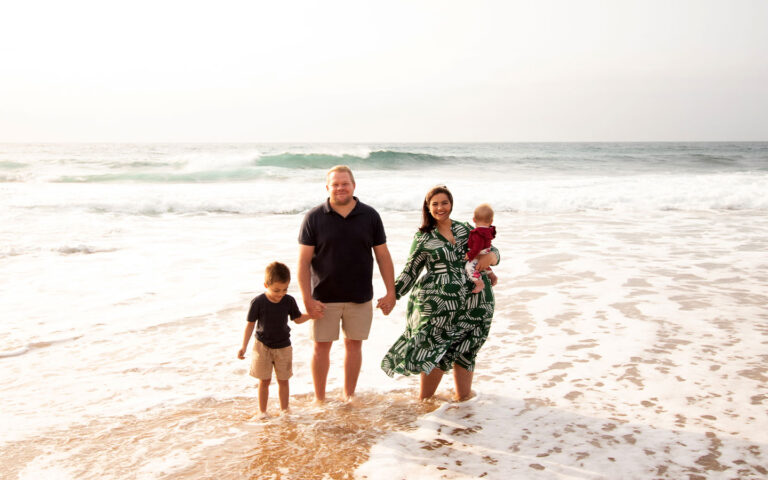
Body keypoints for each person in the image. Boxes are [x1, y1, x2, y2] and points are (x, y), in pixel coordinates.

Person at [381, 185, 498, 401]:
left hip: (476, 301)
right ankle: (424, 403)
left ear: (451, 204)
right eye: (435, 204)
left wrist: (490, 260)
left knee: (467, 350)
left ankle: (464, 403)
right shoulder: (424, 238)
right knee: (435, 349)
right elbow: (410, 271)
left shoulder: (466, 229)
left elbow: (492, 250)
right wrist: (392, 295)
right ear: (428, 207)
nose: (440, 207)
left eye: (444, 202)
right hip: (439, 306)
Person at [298, 165, 396, 403]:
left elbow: (383, 256)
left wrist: (391, 292)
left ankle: (348, 397)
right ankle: (320, 400)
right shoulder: (313, 217)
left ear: (353, 185)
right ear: (327, 187)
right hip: (323, 297)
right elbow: (302, 263)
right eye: (335, 184)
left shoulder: (370, 216)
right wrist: (307, 300)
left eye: (345, 183)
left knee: (354, 346)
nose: (340, 188)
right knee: (321, 348)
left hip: (360, 295)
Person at [237, 261, 310, 417]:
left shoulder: (288, 300)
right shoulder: (258, 302)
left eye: (285, 289)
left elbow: (297, 319)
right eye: (277, 290)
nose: (281, 294)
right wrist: (243, 346)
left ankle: (285, 411)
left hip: (283, 346)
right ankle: (262, 412)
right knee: (264, 381)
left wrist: (312, 315)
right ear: (266, 285)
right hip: (262, 346)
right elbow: (250, 325)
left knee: (284, 380)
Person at [465, 203, 498, 294]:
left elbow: (477, 247)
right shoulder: (488, 231)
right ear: (491, 221)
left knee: (469, 267)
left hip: (480, 251)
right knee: (483, 264)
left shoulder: (478, 233)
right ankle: (491, 275)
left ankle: (479, 283)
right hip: (487, 250)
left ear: (474, 220)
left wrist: (470, 255)